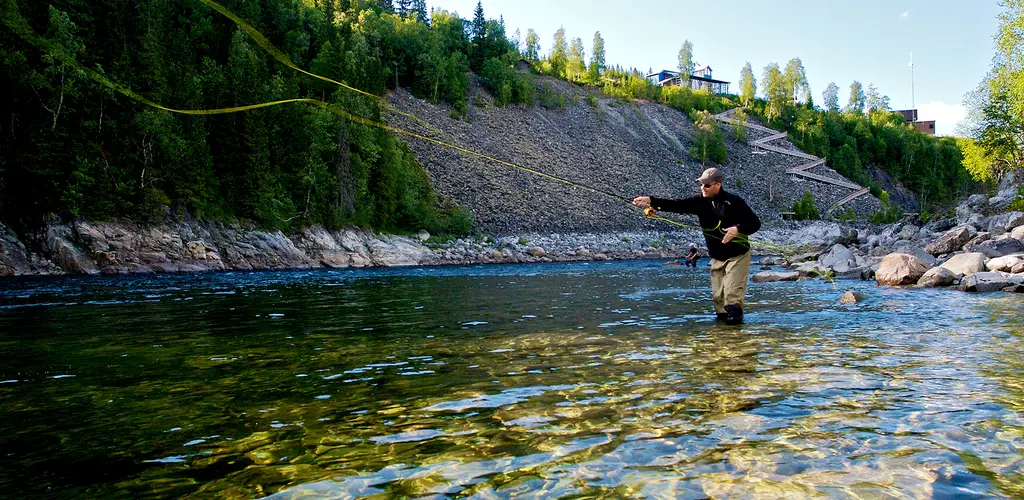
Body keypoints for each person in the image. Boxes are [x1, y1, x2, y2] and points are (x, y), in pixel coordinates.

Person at [633, 167, 761, 325]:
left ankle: (737, 342)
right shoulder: (700, 203)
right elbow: (677, 205)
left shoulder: (734, 202)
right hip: (717, 258)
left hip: (738, 256)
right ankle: (722, 340)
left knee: (732, 300)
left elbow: (755, 223)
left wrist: (737, 229)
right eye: (701, 184)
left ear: (717, 185)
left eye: (706, 185)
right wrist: (651, 201)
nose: (703, 188)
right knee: (718, 302)